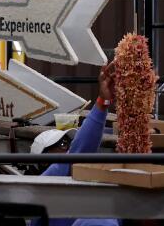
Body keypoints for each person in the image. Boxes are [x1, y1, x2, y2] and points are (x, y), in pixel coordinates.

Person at [25, 62, 119, 226]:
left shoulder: (83, 178)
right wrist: (102, 101)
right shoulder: (49, 181)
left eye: (68, 143)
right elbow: (80, 150)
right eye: (60, 145)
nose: (67, 147)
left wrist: (104, 101)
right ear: (44, 161)